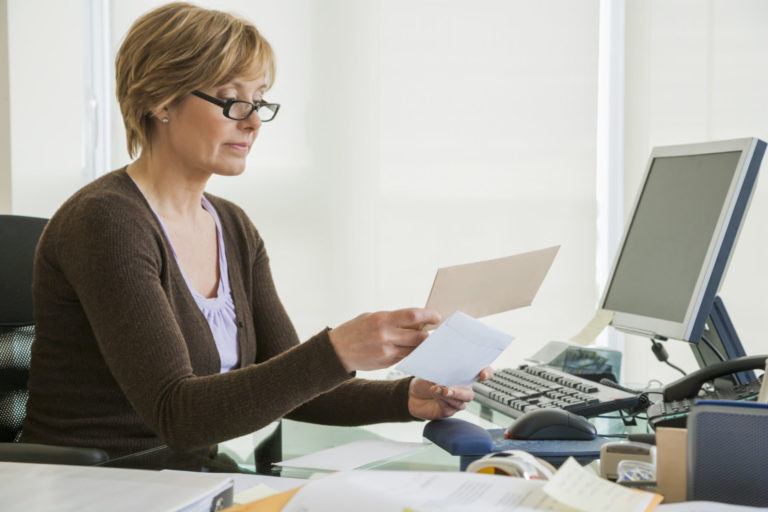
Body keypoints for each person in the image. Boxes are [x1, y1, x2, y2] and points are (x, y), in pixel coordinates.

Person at [22, 2, 488, 459]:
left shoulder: (232, 227)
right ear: (159, 101)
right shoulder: (107, 222)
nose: (252, 122)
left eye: (260, 101)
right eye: (232, 100)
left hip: (181, 479)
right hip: (95, 486)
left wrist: (406, 398)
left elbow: (294, 385)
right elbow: (178, 415)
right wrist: (339, 350)